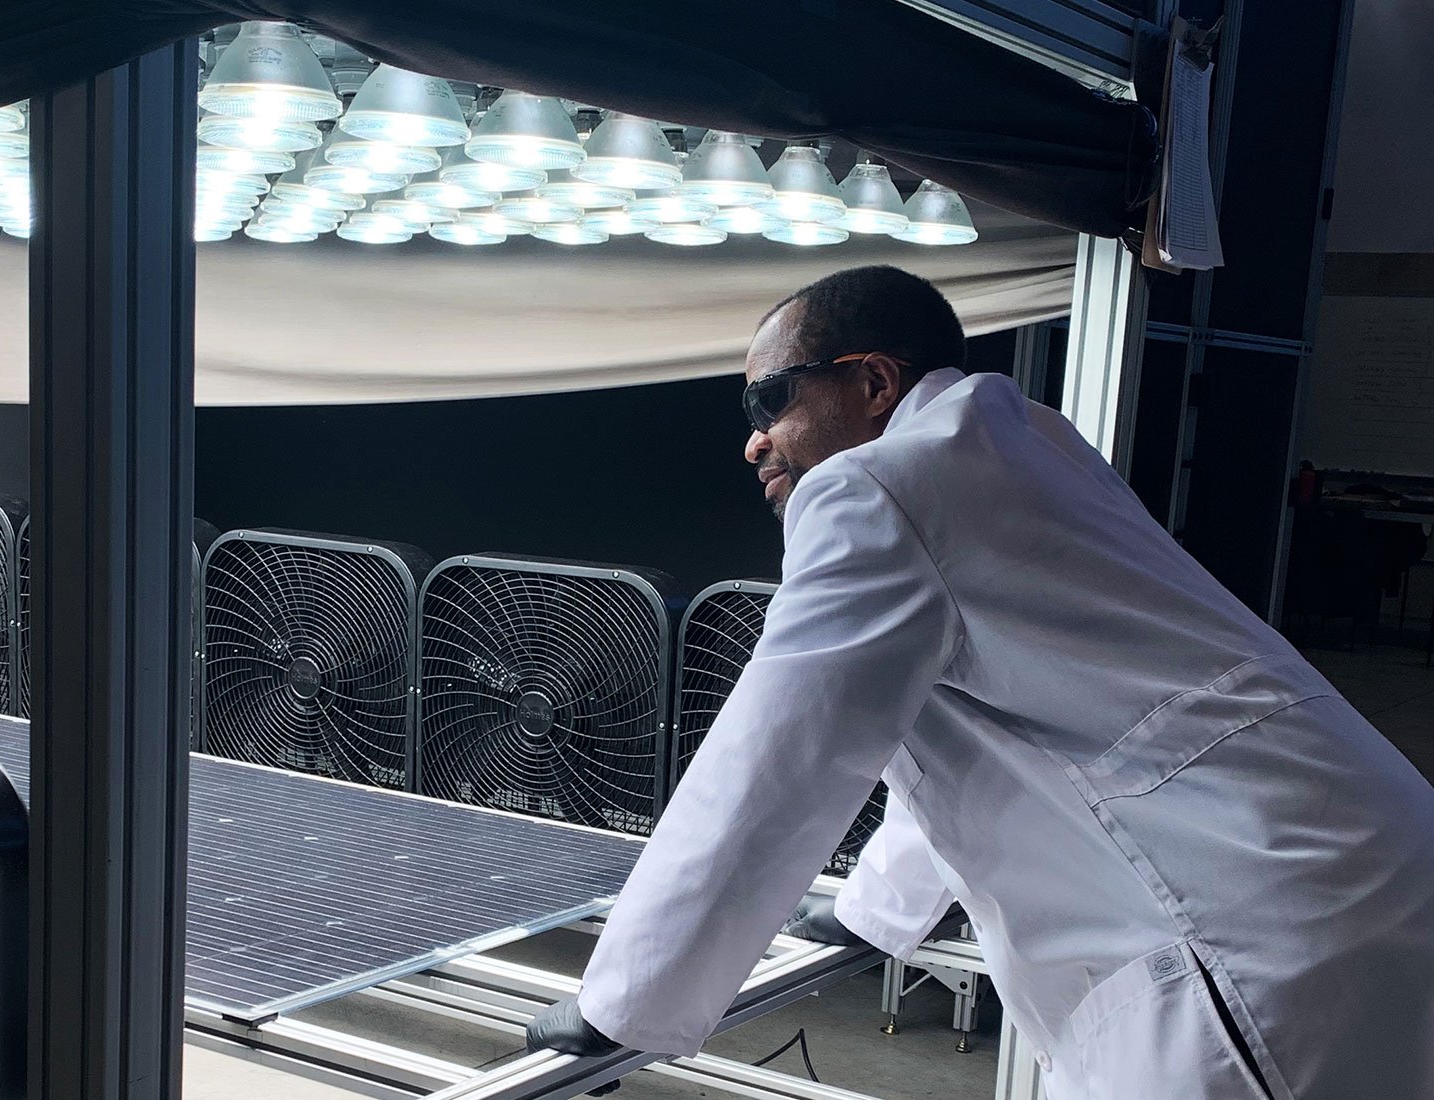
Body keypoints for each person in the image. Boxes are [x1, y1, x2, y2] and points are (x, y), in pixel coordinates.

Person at [526, 266, 1434, 1099]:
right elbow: (993, 728)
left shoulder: (874, 490)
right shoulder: (1023, 445)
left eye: (771, 398)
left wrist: (624, 1001)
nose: (756, 441)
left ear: (874, 382)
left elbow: (775, 761)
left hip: (1255, 932)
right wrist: (873, 912)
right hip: (1360, 866)